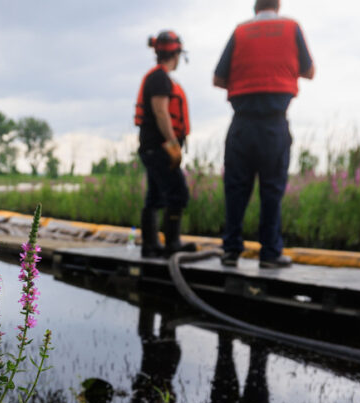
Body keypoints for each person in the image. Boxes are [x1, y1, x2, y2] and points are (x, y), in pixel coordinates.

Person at [213, 0, 315, 268]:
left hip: (242, 123)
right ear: (277, 5)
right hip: (274, 124)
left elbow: (218, 78)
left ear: (255, 7)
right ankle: (269, 254)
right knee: (272, 190)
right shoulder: (292, 27)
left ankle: (231, 251)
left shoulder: (239, 32)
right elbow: (309, 71)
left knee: (236, 189)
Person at [134, 30, 196, 258]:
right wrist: (172, 145)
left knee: (155, 195)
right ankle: (172, 244)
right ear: (176, 53)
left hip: (151, 148)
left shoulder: (156, 77)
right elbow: (161, 112)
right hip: (159, 148)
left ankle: (150, 246)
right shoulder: (160, 78)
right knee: (178, 193)